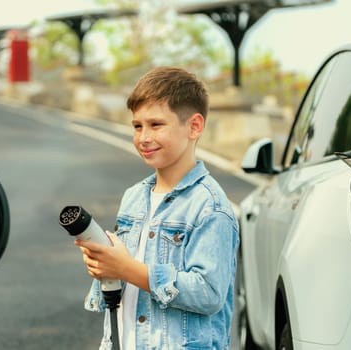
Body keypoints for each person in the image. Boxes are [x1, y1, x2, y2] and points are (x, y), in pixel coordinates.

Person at [75, 66, 239, 350]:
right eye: (137, 126)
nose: (143, 137)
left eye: (156, 125)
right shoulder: (134, 197)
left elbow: (209, 292)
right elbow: (126, 282)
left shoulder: (209, 206)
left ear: (194, 126)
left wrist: (128, 268)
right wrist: (106, 266)